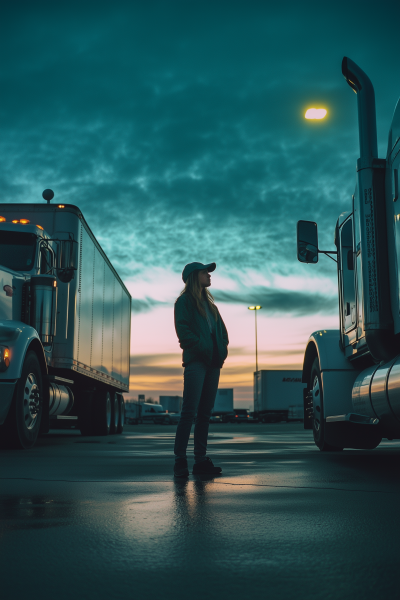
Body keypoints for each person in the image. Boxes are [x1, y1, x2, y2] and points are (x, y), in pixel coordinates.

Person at [173, 261, 229, 477]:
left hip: (214, 363)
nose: (209, 275)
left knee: (205, 414)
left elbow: (223, 333)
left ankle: (200, 461)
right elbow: (183, 332)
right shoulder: (184, 302)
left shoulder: (212, 307)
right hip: (196, 362)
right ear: (194, 276)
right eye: (205, 272)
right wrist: (203, 347)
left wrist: (221, 351)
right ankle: (180, 461)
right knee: (189, 412)